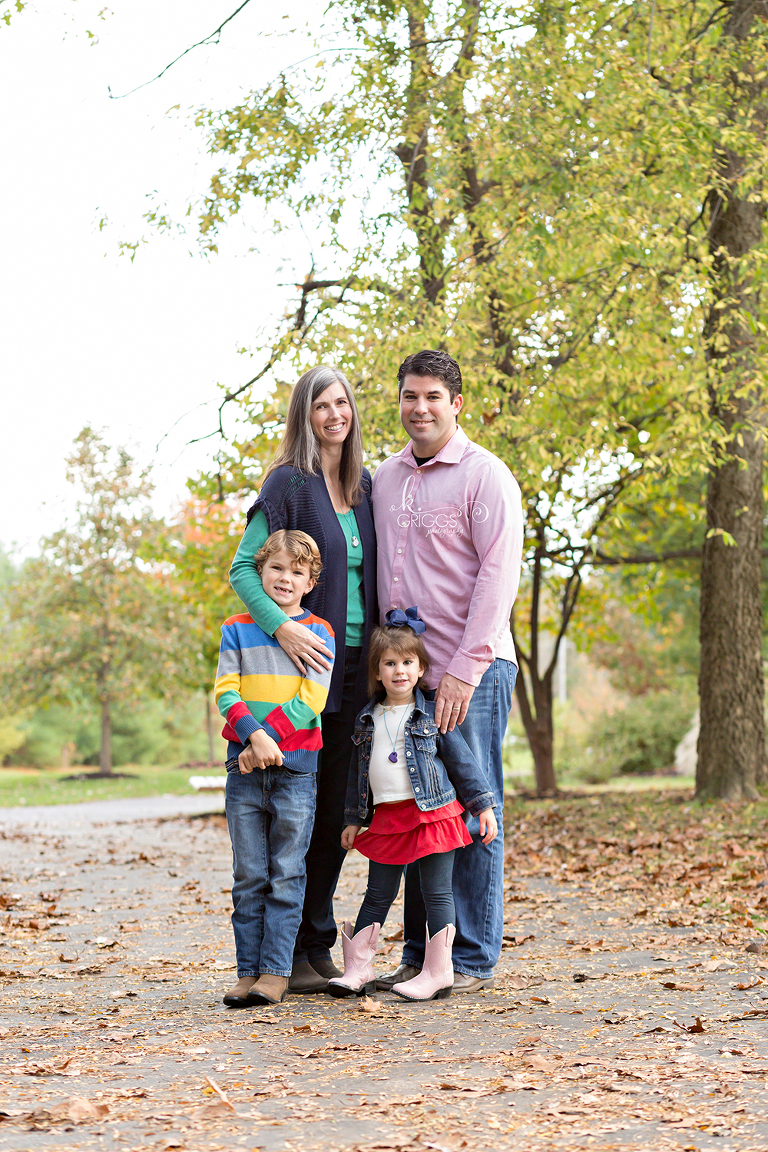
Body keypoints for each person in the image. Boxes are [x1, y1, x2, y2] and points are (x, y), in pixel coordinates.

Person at [371, 349, 523, 994]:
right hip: (404, 672)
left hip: (473, 670)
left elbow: (497, 576)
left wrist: (463, 668)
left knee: (472, 804)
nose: (420, 408)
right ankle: (422, 957)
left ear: (456, 403)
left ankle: (471, 958)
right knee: (415, 810)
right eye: (410, 396)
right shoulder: (382, 477)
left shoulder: (486, 475)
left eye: (433, 396)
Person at [229, 365, 377, 993]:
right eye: (321, 405)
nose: (334, 414)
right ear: (305, 414)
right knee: (296, 807)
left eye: (342, 403)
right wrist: (283, 628)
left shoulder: (365, 485)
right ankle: (281, 956)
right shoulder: (288, 484)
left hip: (359, 667)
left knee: (340, 807)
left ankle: (312, 939)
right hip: (303, 665)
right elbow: (242, 570)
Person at [328, 611, 498, 1002]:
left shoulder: (431, 714)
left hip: (432, 815)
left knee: (437, 893)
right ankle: (358, 968)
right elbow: (358, 773)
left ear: (421, 668)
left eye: (407, 662)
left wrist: (482, 806)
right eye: (389, 663)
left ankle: (438, 972)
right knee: (377, 893)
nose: (399, 671)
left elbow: (462, 762)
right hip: (388, 818)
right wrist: (354, 819)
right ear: (377, 671)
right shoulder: (366, 719)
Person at [215, 530, 336, 1007]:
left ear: (310, 582)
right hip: (244, 770)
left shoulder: (320, 632)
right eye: (276, 568)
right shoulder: (237, 627)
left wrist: (266, 739)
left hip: (296, 771)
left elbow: (313, 698)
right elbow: (226, 691)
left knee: (286, 873)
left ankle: (275, 972)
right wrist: (253, 737)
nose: (286, 578)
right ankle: (247, 970)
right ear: (258, 573)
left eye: (297, 572)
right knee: (249, 876)